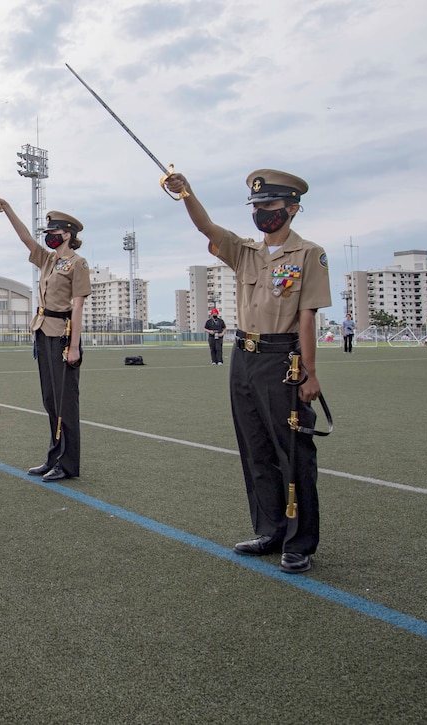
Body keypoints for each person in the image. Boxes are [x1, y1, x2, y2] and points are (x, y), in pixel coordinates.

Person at [165, 169, 330, 574]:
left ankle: (300, 541)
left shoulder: (309, 254)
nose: (261, 213)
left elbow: (306, 316)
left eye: (269, 206)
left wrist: (310, 371)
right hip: (243, 355)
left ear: (292, 208)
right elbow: (206, 225)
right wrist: (185, 192)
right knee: (255, 447)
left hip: (282, 359)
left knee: (292, 451)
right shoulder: (245, 252)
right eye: (256, 207)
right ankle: (271, 530)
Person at [0, 198, 91, 483]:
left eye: (53, 232)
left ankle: (68, 464)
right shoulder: (48, 260)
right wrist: (7, 208)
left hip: (63, 335)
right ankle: (54, 457)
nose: (48, 237)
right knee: (50, 400)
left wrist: (73, 347)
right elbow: (24, 238)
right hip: (43, 330)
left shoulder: (77, 264)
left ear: (67, 234)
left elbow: (79, 306)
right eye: (47, 232)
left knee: (65, 402)